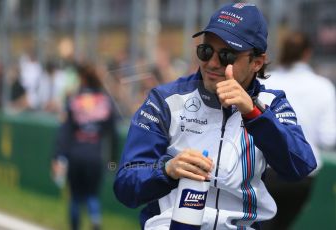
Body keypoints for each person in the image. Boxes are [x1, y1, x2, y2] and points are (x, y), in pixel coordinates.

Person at [113, 3, 317, 230]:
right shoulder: (165, 100)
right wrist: (166, 170)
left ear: (257, 62)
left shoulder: (271, 104)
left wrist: (254, 114)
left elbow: (300, 167)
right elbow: (125, 185)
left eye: (227, 55)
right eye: (206, 51)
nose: (211, 63)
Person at [261, 31, 336, 230]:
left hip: (268, 170)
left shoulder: (267, 82)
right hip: (304, 174)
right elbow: (328, 137)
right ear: (307, 53)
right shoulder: (323, 86)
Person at [52, 62, 116, 230]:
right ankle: (95, 220)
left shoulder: (75, 100)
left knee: (75, 197)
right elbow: (113, 134)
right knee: (92, 195)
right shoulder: (105, 101)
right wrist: (113, 161)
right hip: (95, 156)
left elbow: (64, 132)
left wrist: (58, 156)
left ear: (82, 79)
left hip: (75, 155)